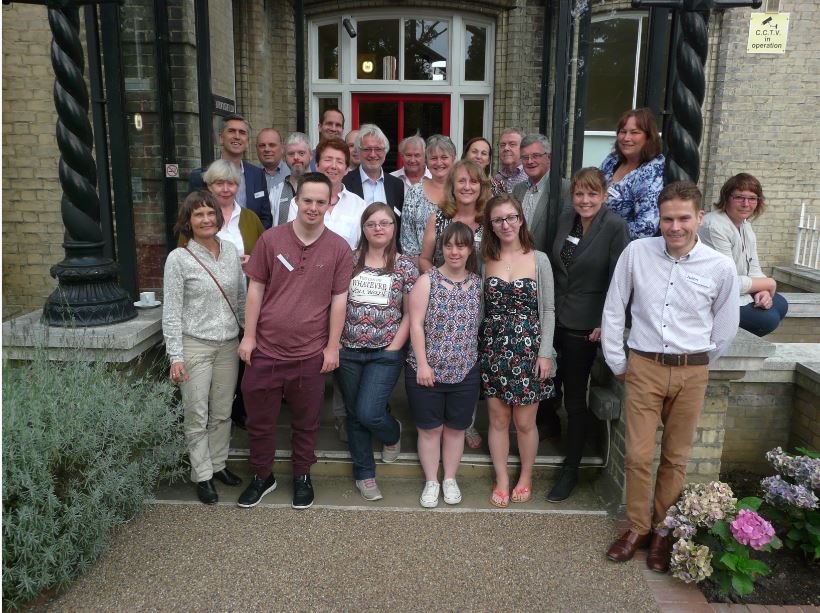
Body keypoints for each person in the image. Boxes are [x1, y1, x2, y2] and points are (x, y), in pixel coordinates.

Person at [601, 181, 739, 573]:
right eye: (667, 219)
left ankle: (663, 530)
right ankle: (638, 528)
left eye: (683, 218)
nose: (675, 227)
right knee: (638, 455)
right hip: (644, 366)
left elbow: (726, 326)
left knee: (675, 458)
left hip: (692, 372)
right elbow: (615, 307)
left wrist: (698, 360)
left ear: (699, 217)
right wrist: (617, 361)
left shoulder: (720, 266)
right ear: (658, 219)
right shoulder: (637, 252)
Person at [238, 172, 353, 510]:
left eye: (320, 201)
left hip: (310, 353)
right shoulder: (271, 240)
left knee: (306, 423)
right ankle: (262, 475)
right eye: (307, 200)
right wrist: (248, 336)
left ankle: (302, 474)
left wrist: (332, 346)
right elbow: (255, 290)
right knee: (259, 422)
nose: (313, 207)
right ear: (297, 201)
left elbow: (339, 300)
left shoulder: (339, 248)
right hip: (265, 350)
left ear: (330, 204)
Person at [545, 168, 630, 502]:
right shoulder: (567, 220)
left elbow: (620, 281)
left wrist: (605, 322)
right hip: (555, 316)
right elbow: (557, 268)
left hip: (586, 325)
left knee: (575, 398)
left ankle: (571, 468)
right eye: (580, 193)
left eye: (592, 194)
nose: (585, 200)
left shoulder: (615, 227)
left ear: (604, 196)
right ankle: (549, 427)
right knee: (548, 385)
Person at [163, 191, 246, 505]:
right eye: (198, 214)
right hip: (194, 345)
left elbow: (240, 298)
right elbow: (171, 312)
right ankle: (202, 474)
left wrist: (248, 335)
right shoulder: (178, 259)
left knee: (222, 411)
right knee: (196, 412)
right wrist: (176, 356)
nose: (206, 219)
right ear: (188, 221)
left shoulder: (230, 251)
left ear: (218, 217)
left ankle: (218, 463)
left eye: (211, 213)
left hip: (228, 345)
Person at [336, 203, 418, 501]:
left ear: (394, 228)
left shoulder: (405, 265)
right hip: (348, 350)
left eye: (385, 223)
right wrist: (336, 343)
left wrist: (395, 347)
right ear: (363, 228)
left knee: (368, 411)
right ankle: (365, 474)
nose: (378, 228)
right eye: (371, 224)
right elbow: (336, 302)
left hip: (385, 352)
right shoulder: (349, 260)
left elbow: (411, 313)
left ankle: (392, 432)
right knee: (355, 415)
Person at [479, 194, 555, 508]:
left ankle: (525, 476)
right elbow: (481, 309)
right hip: (494, 349)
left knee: (524, 422)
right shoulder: (485, 260)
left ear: (521, 219)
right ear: (491, 225)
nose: (506, 224)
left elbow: (548, 310)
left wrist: (546, 352)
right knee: (498, 420)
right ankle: (501, 479)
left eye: (511, 217)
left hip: (529, 350)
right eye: (498, 219)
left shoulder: (539, 259)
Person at [406, 222, 482, 508]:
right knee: (430, 430)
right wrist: (422, 364)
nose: (454, 252)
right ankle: (432, 481)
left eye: (461, 246)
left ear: (470, 249)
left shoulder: (478, 284)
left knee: (455, 429)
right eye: (448, 246)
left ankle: (449, 478)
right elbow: (415, 324)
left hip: (465, 369)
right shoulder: (427, 281)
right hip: (427, 370)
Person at [699, 173, 788, 337]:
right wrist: (769, 283)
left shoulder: (745, 225)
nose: (746, 204)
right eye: (739, 197)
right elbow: (726, 281)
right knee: (768, 320)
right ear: (726, 198)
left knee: (780, 304)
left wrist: (764, 290)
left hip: (738, 289)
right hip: (714, 296)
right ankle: (719, 339)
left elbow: (754, 269)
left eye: (752, 198)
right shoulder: (714, 227)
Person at [189, 114, 272, 229]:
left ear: (247, 142)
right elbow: (192, 216)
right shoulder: (201, 176)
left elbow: (265, 217)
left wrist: (254, 238)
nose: (237, 136)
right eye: (231, 131)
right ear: (221, 138)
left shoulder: (257, 174)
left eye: (242, 132)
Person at [288, 137, 367, 250]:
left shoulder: (359, 205)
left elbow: (362, 247)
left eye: (339, 161)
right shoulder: (298, 202)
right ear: (317, 165)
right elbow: (293, 241)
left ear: (346, 169)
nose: (333, 166)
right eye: (328, 159)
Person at [599, 107, 665, 240]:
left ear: (649, 137)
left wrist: (600, 229)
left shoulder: (651, 171)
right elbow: (591, 187)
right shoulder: (613, 159)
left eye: (634, 132)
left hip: (621, 245)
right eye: (623, 132)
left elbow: (645, 228)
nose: (626, 138)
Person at [419, 159, 488, 273]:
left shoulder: (489, 221)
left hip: (481, 284)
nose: (467, 187)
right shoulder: (436, 220)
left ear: (481, 187)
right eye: (461, 181)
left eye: (473, 181)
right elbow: (424, 259)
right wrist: (437, 279)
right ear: (452, 186)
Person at [512, 133, 572, 254]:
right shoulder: (518, 189)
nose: (530, 161)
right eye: (525, 157)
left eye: (536, 156)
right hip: (517, 258)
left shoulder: (564, 189)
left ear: (549, 158)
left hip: (547, 261)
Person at [400, 134, 456, 261]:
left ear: (453, 158)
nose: (439, 163)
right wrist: (425, 268)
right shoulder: (415, 192)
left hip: (459, 266)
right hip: (420, 268)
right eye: (433, 158)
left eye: (444, 157)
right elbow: (408, 240)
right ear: (426, 161)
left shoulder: (462, 191)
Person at [200, 159, 265, 266]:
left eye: (231, 184)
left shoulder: (251, 218)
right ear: (209, 186)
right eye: (219, 184)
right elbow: (183, 258)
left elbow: (266, 254)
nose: (226, 189)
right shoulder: (197, 218)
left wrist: (253, 260)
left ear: (238, 186)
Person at [342, 124, 405, 219]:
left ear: (385, 152)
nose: (372, 154)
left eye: (378, 149)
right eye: (367, 149)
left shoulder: (396, 185)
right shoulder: (345, 182)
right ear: (358, 151)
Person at [493, 127, 527, 195]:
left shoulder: (530, 177)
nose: (506, 148)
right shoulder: (497, 179)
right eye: (502, 145)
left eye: (512, 144)